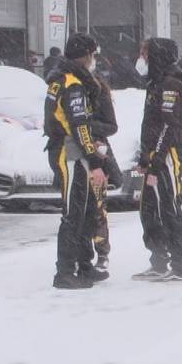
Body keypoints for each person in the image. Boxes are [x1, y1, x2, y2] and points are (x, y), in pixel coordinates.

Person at [44, 33, 107, 290]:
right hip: (69, 154)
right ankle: (65, 272)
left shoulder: (60, 79)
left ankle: (85, 265)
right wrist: (94, 159)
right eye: (92, 55)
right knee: (73, 214)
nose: (93, 60)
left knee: (88, 210)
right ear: (85, 56)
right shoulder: (72, 85)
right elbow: (79, 126)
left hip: (71, 151)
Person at [133, 38, 182, 283]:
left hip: (167, 157)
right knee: (149, 210)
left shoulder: (171, 84)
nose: (142, 59)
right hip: (153, 157)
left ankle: (179, 266)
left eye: (146, 54)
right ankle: (158, 261)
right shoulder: (155, 83)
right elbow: (151, 125)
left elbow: (170, 127)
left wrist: (157, 160)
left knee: (169, 209)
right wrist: (144, 157)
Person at [90, 73, 122, 272]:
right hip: (76, 154)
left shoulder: (100, 92)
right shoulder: (70, 91)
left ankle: (102, 253)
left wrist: (86, 125)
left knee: (98, 208)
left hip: (98, 152)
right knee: (80, 209)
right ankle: (82, 254)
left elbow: (112, 126)